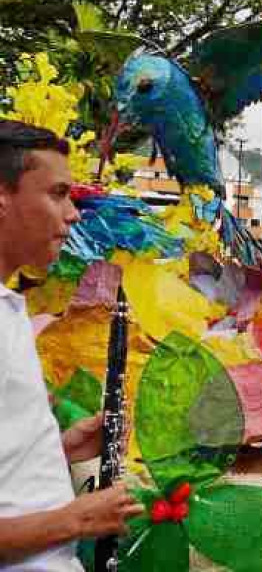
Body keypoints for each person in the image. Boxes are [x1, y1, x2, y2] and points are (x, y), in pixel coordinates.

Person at [0, 120, 143, 570]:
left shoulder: (10, 307)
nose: (74, 214)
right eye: (58, 194)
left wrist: (56, 449)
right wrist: (77, 519)